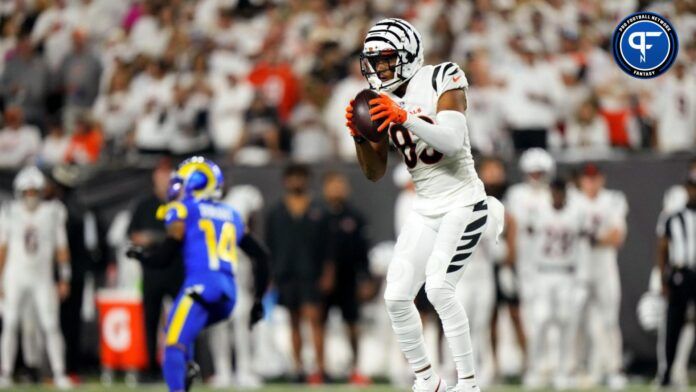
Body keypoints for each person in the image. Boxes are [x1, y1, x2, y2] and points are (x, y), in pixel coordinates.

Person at [346, 18, 504, 392]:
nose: (379, 69)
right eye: (374, 62)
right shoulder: (378, 99)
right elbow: (374, 172)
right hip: (426, 206)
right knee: (397, 296)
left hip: (464, 201)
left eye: (386, 59)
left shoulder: (442, 76)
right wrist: (358, 136)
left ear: (408, 53)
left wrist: (405, 117)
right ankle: (427, 380)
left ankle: (467, 383)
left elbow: (451, 140)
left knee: (438, 289)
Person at [127, 156, 270, 392]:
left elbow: (164, 256)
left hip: (201, 285)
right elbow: (262, 255)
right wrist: (258, 299)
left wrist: (141, 256)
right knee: (183, 333)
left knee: (172, 341)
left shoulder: (185, 208)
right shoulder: (231, 214)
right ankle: (188, 368)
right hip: (228, 292)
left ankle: (180, 382)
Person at [0, 166, 72, 389]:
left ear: (41, 192)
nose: (31, 196)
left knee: (50, 325)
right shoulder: (10, 211)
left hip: (42, 276)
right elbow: (2, 247)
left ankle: (59, 373)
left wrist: (64, 277)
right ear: (19, 192)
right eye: (27, 192)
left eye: (34, 191)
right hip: (15, 274)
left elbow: (61, 247)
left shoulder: (53, 211)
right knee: (10, 323)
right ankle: (5, 373)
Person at [265, 163, 331, 383]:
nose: (296, 182)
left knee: (315, 320)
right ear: (285, 181)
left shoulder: (319, 210)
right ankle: (298, 368)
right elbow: (269, 245)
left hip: (311, 272)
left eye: (300, 177)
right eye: (292, 177)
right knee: (293, 321)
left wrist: (328, 273)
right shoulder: (276, 212)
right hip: (286, 272)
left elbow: (329, 246)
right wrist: (270, 276)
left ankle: (321, 368)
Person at [524, 178, 589, 389]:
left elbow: (583, 248)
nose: (558, 195)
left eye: (561, 192)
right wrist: (528, 276)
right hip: (543, 273)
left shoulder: (575, 215)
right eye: (555, 191)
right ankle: (535, 368)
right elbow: (529, 244)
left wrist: (581, 279)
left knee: (565, 322)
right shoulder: (539, 213)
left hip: (566, 274)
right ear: (550, 192)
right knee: (540, 321)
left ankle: (563, 370)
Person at [128, 159, 185, 380]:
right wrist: (150, 239)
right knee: (150, 321)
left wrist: (158, 238)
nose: (165, 181)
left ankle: (185, 365)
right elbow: (133, 235)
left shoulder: (181, 205)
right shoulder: (144, 205)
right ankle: (150, 367)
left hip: (176, 270)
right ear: (154, 178)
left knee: (183, 320)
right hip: (152, 272)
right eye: (161, 176)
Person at [577, 163, 628, 389]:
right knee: (577, 324)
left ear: (602, 179)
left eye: (594, 177)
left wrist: (594, 239)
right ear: (580, 181)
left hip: (605, 270)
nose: (591, 182)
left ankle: (614, 368)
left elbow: (617, 236)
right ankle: (584, 368)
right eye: (587, 178)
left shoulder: (612, 199)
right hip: (579, 271)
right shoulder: (572, 201)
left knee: (608, 321)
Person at [320, 171, 371, 385]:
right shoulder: (317, 215)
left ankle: (355, 367)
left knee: (352, 324)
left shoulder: (355, 217)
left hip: (348, 279)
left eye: (340, 185)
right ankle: (320, 369)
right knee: (319, 325)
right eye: (333, 185)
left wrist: (366, 278)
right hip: (321, 281)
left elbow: (363, 250)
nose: (337, 189)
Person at [656, 169, 696, 389]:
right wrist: (663, 279)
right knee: (673, 326)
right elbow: (662, 247)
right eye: (692, 187)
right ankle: (667, 374)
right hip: (681, 274)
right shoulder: (674, 217)